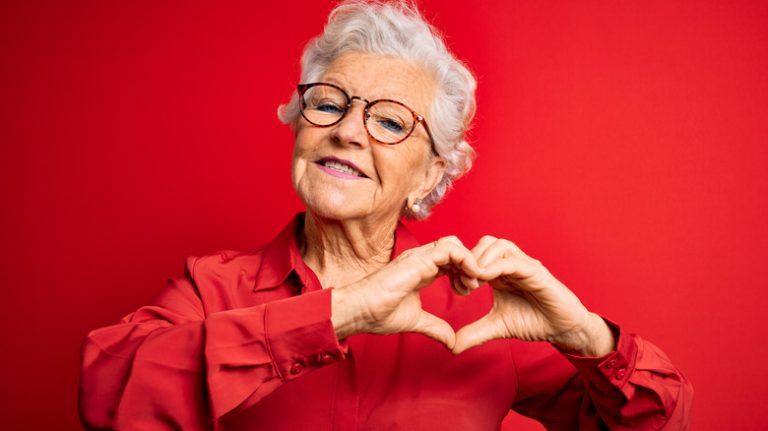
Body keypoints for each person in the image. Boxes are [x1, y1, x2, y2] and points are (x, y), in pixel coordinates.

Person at [79, 1, 693, 429]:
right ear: (300, 129)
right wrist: (342, 313)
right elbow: (109, 396)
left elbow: (655, 420)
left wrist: (586, 335)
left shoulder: (481, 314)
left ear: (430, 173)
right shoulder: (214, 289)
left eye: (391, 121)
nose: (347, 131)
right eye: (329, 104)